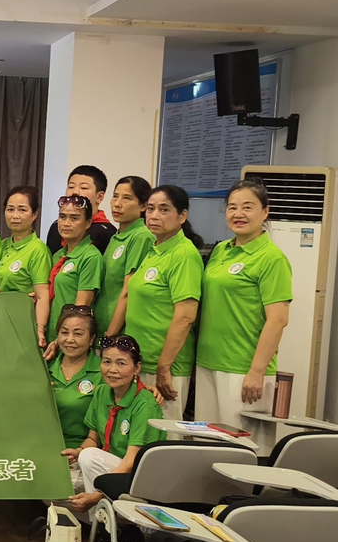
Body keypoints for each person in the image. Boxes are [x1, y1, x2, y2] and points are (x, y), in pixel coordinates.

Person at [196, 179, 291, 428]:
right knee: (204, 442)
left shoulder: (271, 258)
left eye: (247, 207)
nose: (238, 214)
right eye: (232, 207)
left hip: (243, 369)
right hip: (207, 361)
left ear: (265, 211)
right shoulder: (221, 250)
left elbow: (278, 319)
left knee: (241, 445)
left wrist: (257, 371)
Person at [110, 185, 204, 421]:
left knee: (163, 437)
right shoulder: (154, 249)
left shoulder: (183, 254)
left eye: (164, 210)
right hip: (140, 361)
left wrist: (164, 367)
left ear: (182, 216)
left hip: (164, 367)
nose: (154, 216)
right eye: (150, 209)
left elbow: (186, 315)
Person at [61, 334, 165, 512]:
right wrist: (78, 451)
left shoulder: (145, 404)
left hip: (136, 475)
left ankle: (109, 519)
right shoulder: (102, 392)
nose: (112, 369)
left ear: (137, 368)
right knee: (56, 486)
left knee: (89, 458)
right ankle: (104, 517)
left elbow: (131, 461)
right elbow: (93, 439)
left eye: (121, 363)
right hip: (110, 466)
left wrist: (98, 495)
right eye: (107, 362)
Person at [48, 306, 103, 489]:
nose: (70, 339)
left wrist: (80, 452)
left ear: (92, 339)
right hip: (43, 452)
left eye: (78, 334)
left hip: (82, 455)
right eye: (64, 332)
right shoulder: (44, 367)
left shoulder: (104, 373)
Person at [0, 186, 53, 347]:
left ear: (35, 214)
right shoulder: (2, 245)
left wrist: (40, 329)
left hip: (22, 323)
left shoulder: (38, 249)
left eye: (22, 210)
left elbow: (42, 295)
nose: (15, 215)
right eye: (10, 209)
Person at [95, 177, 154, 335]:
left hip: (118, 332)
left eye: (127, 198)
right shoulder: (117, 236)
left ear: (143, 206)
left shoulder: (141, 236)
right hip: (102, 325)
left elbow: (128, 292)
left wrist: (110, 334)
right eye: (115, 196)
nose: (117, 203)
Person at [46, 195, 103, 345]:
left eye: (74, 218)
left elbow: (81, 309)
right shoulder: (59, 255)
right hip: (51, 333)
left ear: (88, 223)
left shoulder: (90, 257)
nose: (66, 223)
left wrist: (61, 340)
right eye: (62, 217)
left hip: (69, 340)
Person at [45, 165, 117, 255]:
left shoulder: (107, 233)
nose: (75, 192)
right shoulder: (56, 227)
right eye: (71, 187)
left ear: (99, 197)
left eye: (84, 188)